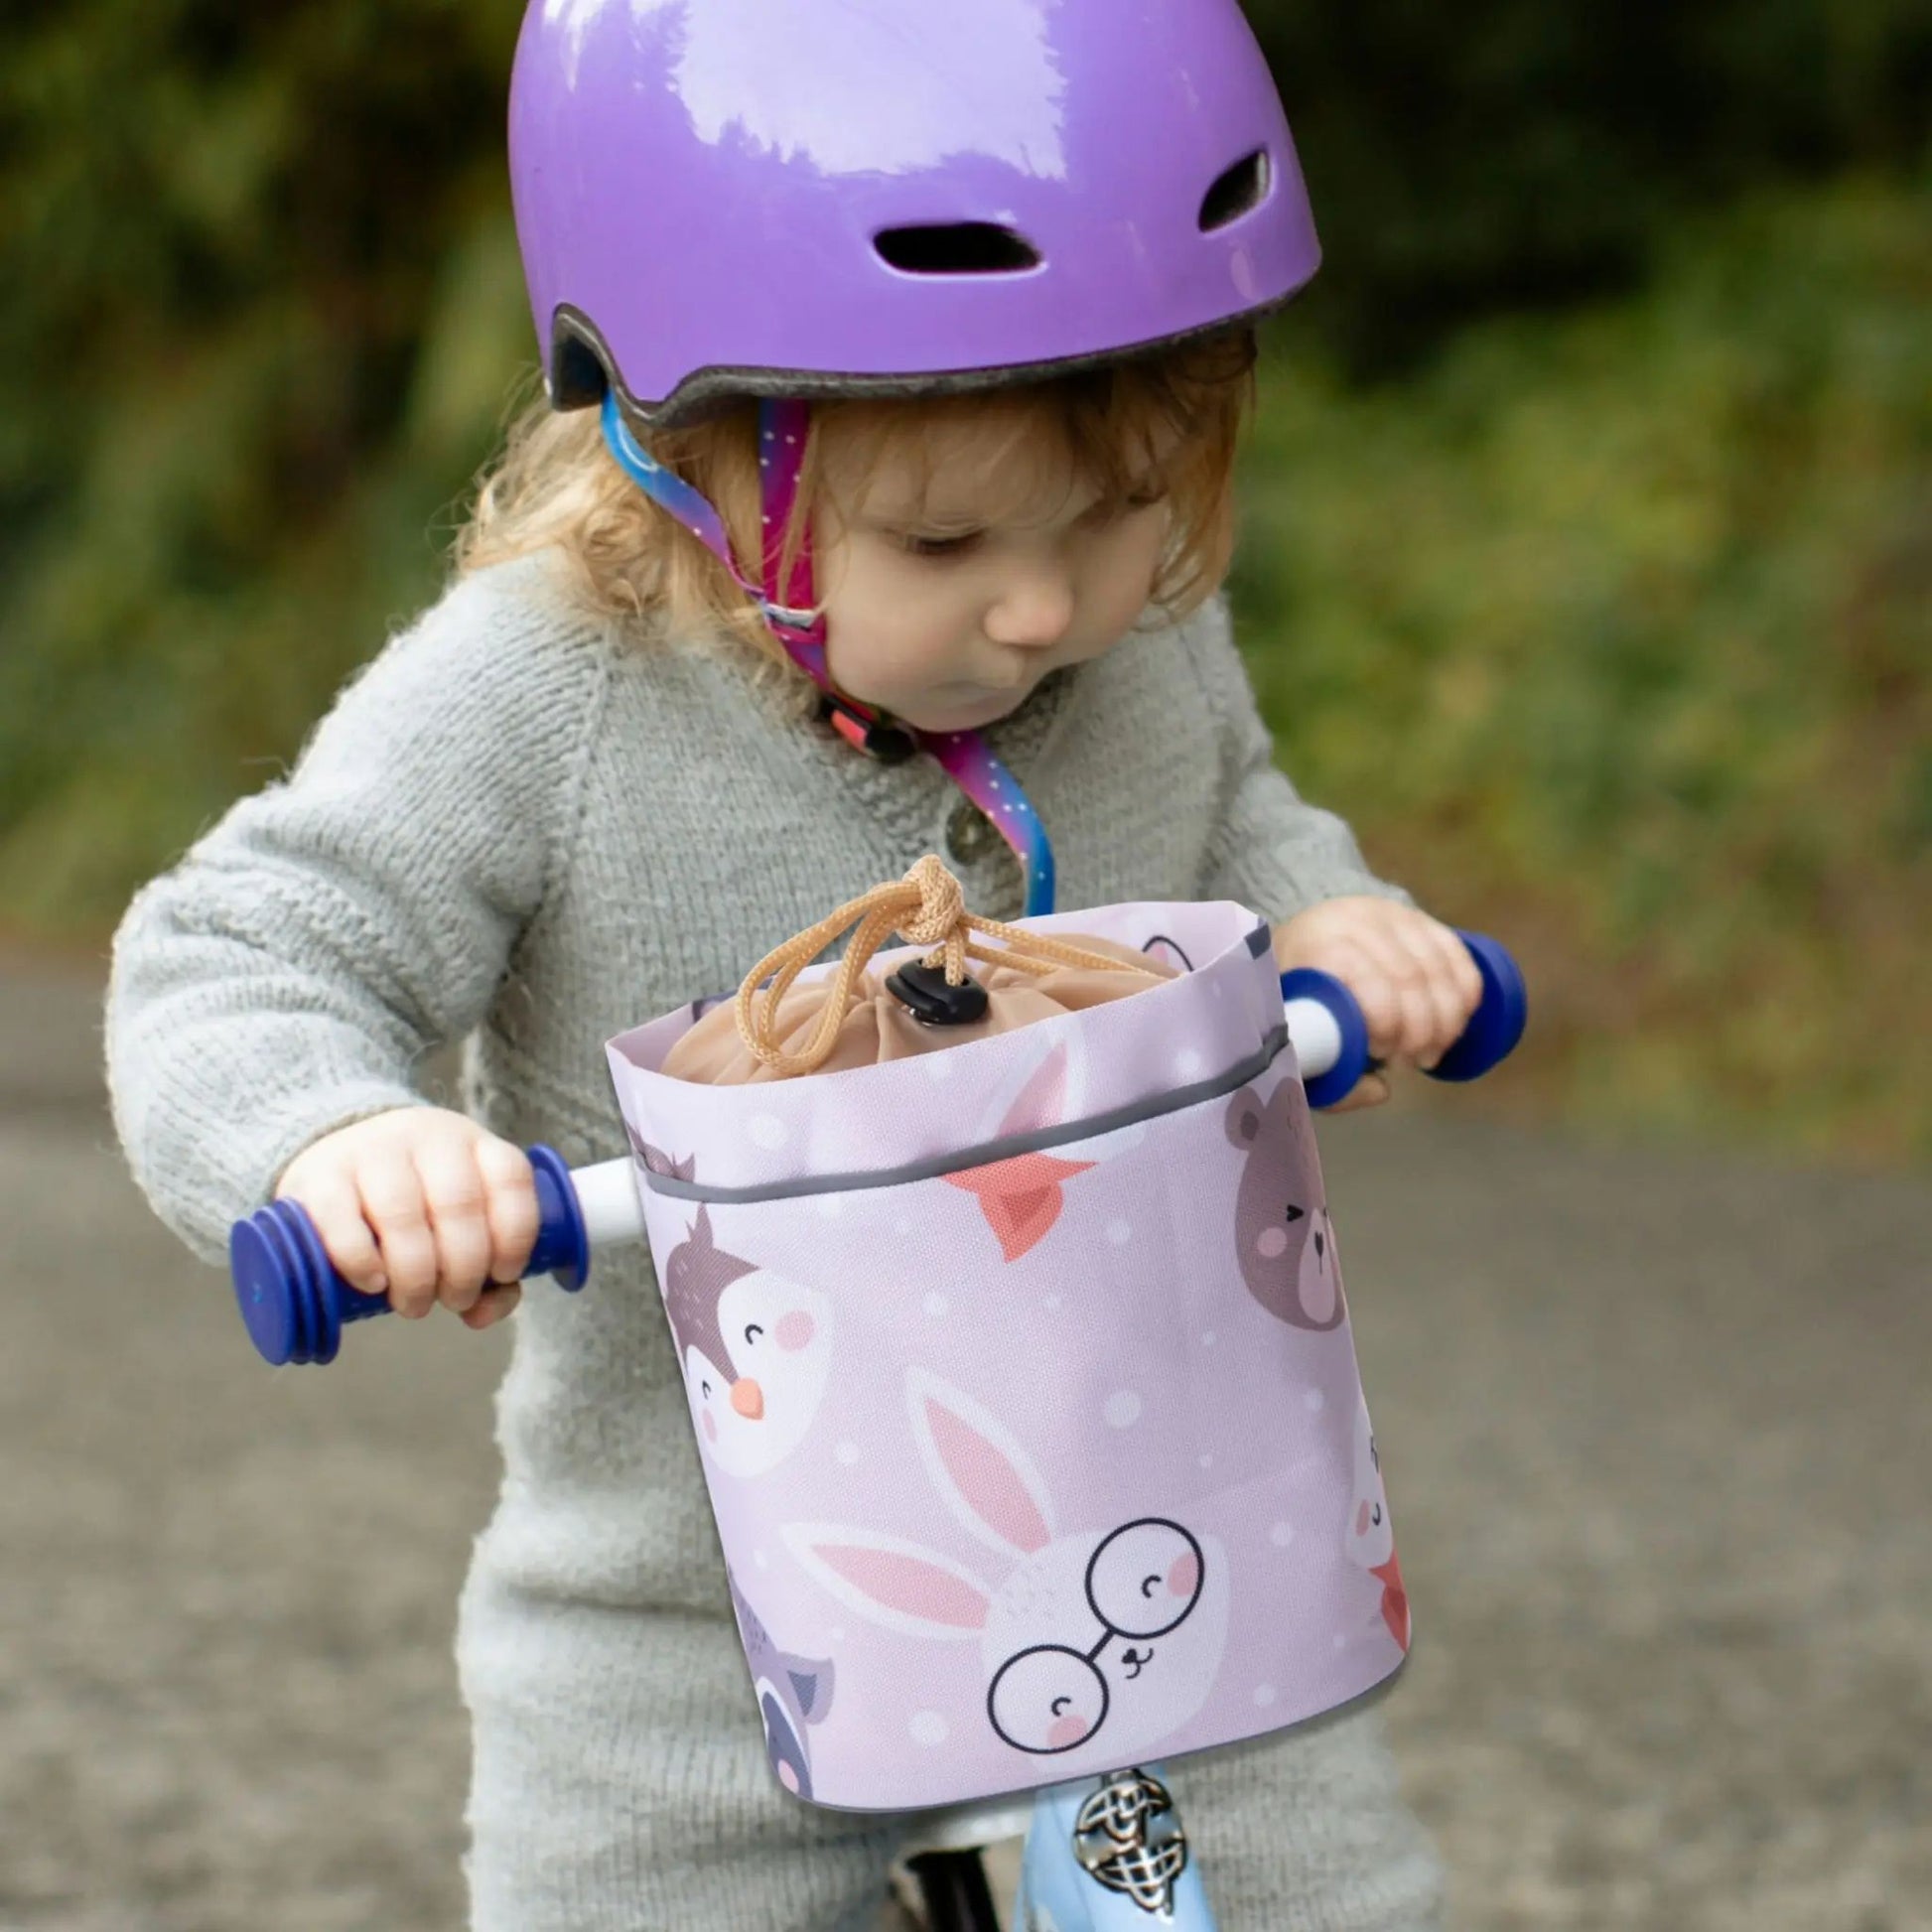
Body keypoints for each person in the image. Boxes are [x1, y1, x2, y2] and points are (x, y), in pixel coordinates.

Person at [106, 2, 1477, 1925]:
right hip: (694, 1643)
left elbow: (1231, 804)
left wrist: (1330, 920)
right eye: (943, 538)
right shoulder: (542, 692)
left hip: (1166, 1547)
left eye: (1124, 504)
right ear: (683, 449)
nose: (1044, 603)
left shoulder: (1133, 641)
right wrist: (337, 1137)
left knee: (1312, 1894)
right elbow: (243, 946)